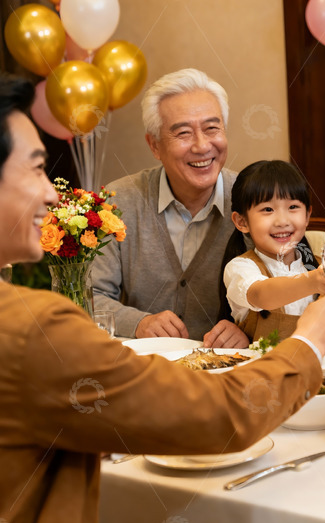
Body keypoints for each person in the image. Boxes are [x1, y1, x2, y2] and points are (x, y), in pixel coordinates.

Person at [0, 69, 325, 523]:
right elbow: (215, 416)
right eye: (36, 168)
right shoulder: (29, 327)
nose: (51, 192)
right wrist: (309, 343)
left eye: (212, 128)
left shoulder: (254, 199)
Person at [92, 68, 247, 347]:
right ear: (154, 145)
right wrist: (137, 323)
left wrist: (247, 329)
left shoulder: (255, 201)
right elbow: (90, 297)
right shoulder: (118, 203)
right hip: (145, 372)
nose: (202, 146)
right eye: (183, 133)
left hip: (228, 374)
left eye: (212, 128)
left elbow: (292, 296)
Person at [220, 160, 325, 342]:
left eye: (293, 207)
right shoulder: (241, 268)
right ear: (242, 222)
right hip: (261, 368)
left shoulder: (320, 266)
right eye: (268, 209)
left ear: (307, 216)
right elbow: (260, 295)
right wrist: (315, 280)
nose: (282, 221)